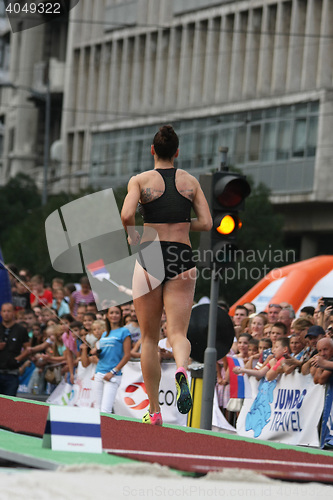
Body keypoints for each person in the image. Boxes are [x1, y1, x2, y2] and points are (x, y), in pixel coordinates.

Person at [121, 124, 212, 425]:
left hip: (150, 253)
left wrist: (135, 236)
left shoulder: (140, 180)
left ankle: (155, 412)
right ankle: (182, 369)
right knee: (177, 333)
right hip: (182, 255)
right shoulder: (190, 182)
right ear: (177, 152)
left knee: (148, 338)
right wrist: (183, 225)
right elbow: (208, 223)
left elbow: (125, 215)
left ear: (152, 150)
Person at [91, 306, 131, 413]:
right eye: (111, 313)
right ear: (107, 315)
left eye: (117, 313)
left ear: (121, 315)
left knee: (105, 411)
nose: (114, 315)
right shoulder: (105, 334)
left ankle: (104, 430)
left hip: (112, 375)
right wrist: (96, 352)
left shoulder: (124, 331)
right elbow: (104, 354)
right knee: (96, 409)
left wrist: (113, 371)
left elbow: (127, 355)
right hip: (99, 373)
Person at [0, 303, 30, 396]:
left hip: (12, 373)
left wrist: (19, 359)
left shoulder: (21, 330)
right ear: (1, 313)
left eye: (8, 311)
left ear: (13, 313)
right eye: (4, 311)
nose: (6, 314)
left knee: (9, 403)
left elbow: (28, 349)